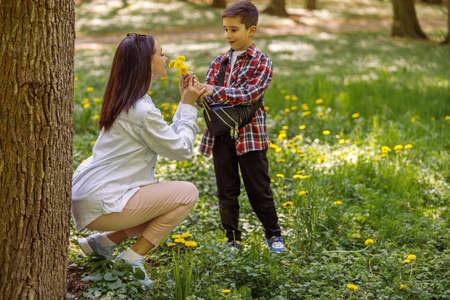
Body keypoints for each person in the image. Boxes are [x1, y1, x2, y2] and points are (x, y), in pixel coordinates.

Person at [72, 33, 206, 286]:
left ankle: (102, 243)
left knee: (161, 202)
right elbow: (182, 150)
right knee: (186, 194)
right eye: (161, 53)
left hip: (90, 196)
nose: (166, 58)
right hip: (101, 203)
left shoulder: (129, 101)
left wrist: (184, 103)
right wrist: (188, 105)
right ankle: (131, 259)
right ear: (145, 62)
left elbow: (167, 139)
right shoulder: (140, 110)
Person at [197, 1, 286, 252]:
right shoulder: (218, 62)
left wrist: (216, 91)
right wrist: (197, 90)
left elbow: (250, 93)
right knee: (226, 190)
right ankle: (232, 239)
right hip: (222, 134)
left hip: (250, 136)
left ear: (251, 30)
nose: (228, 36)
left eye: (234, 30)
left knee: (259, 189)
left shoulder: (262, 62)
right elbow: (209, 97)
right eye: (225, 29)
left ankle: (274, 236)